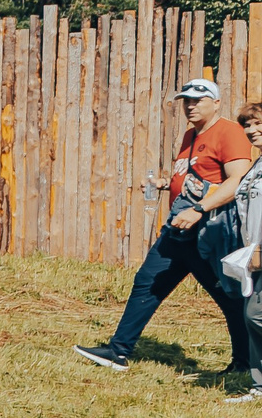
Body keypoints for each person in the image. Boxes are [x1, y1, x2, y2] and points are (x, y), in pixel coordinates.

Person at [76, 78, 254, 386]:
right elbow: (195, 178)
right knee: (147, 282)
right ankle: (118, 351)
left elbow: (236, 181)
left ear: (216, 102)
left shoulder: (229, 132)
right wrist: (165, 183)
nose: (190, 105)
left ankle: (245, 363)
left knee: (229, 297)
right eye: (186, 100)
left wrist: (198, 209)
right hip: (178, 231)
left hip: (206, 233)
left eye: (198, 100)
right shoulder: (190, 134)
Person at [229, 102, 262, 403]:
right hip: (252, 254)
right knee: (250, 315)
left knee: (255, 315)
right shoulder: (257, 164)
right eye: (247, 126)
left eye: (257, 124)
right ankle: (258, 387)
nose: (251, 131)